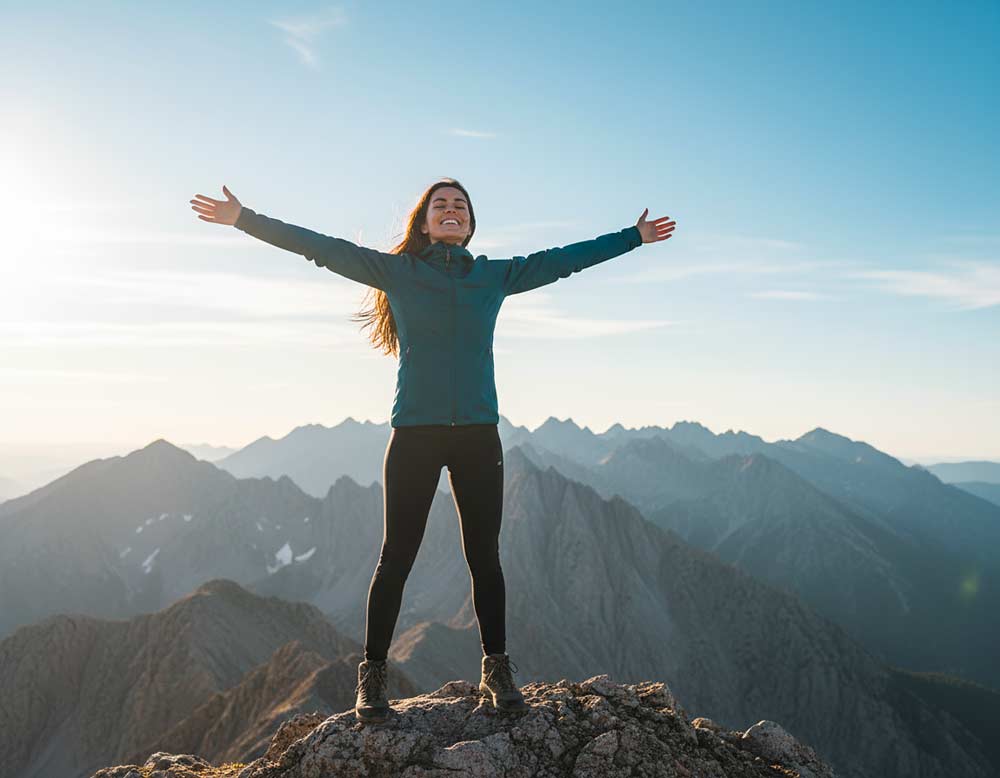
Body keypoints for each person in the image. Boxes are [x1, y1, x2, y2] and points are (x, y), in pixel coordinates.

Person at [189, 179, 676, 723]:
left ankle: (497, 668)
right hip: (415, 436)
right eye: (439, 205)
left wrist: (632, 237)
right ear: (424, 223)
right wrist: (243, 218)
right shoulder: (397, 272)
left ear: (469, 225)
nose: (450, 211)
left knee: (484, 559)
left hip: (477, 436)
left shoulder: (495, 275)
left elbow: (564, 260)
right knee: (395, 558)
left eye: (459, 206)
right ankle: (371, 678)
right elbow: (321, 248)